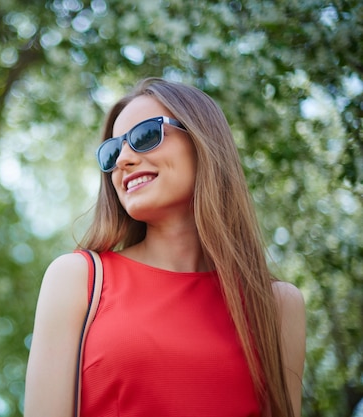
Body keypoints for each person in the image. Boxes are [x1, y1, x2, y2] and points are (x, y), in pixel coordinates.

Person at [24, 77, 306, 417]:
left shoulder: (276, 306)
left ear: (202, 141)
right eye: (112, 151)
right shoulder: (77, 279)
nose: (123, 160)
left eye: (145, 136)